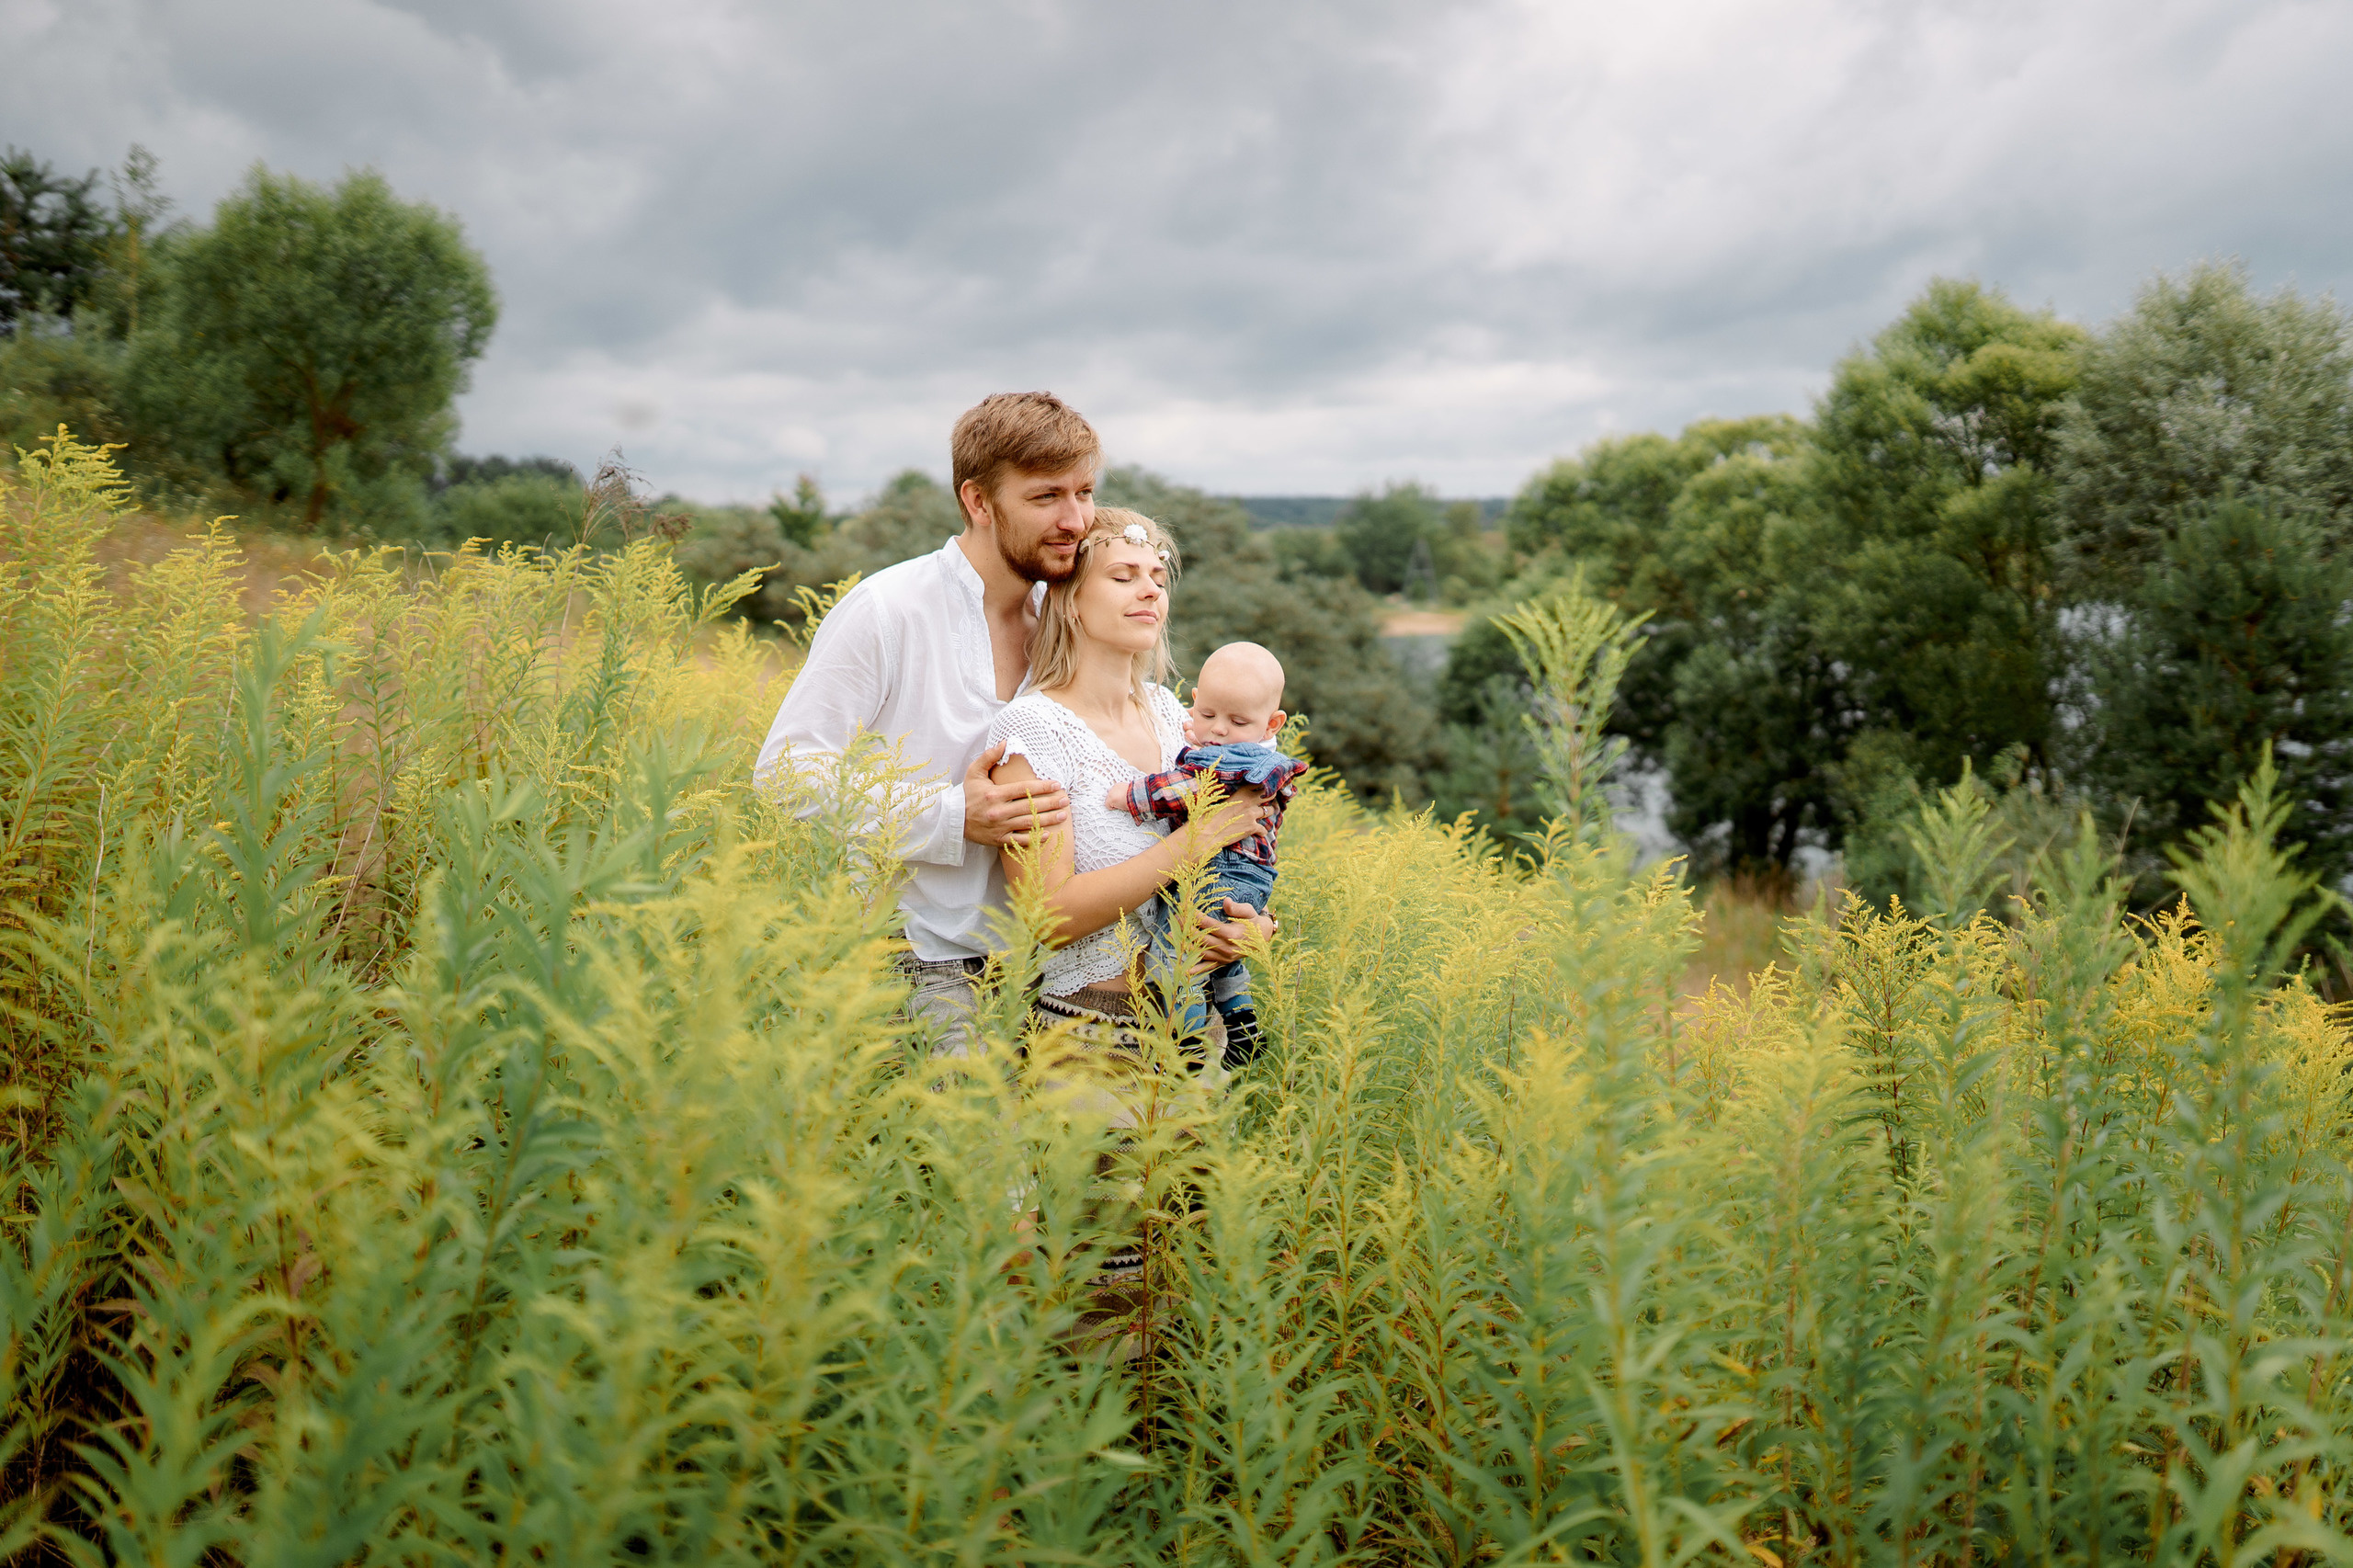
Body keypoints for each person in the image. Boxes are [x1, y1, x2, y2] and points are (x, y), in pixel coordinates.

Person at [1105, 641, 1309, 1066]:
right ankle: (1243, 1028)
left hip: (1219, 871)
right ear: (1194, 703)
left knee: (1175, 959)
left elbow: (1189, 787)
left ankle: (1186, 1045)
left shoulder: (1235, 760)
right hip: (1250, 880)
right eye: (1209, 714)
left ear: (1272, 724)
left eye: (1237, 721)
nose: (1219, 730)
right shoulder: (1254, 754)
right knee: (1219, 957)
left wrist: (1132, 796)